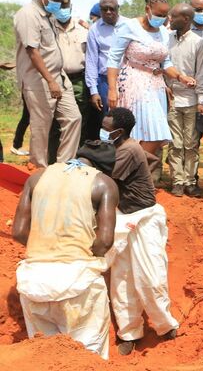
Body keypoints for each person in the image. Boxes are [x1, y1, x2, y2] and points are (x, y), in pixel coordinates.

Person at [12, 141, 120, 360]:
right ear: (105, 168)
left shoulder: (37, 178)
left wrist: (47, 250)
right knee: (88, 357)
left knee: (44, 357)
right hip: (78, 283)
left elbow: (19, 232)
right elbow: (105, 242)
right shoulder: (103, 183)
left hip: (34, 282)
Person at [100, 107, 180, 356]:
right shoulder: (123, 147)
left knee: (150, 276)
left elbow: (104, 178)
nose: (102, 131)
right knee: (121, 279)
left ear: (119, 131)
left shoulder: (129, 150)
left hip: (144, 218)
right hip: (123, 218)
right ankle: (129, 333)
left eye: (106, 128)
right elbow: (152, 159)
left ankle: (165, 326)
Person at [106, 0, 197, 176]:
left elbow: (166, 62)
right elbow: (113, 59)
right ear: (148, 9)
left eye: (165, 15)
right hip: (133, 82)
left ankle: (134, 174)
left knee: (155, 133)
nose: (163, 18)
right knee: (137, 130)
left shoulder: (163, 32)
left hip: (156, 85)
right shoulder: (129, 26)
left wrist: (180, 77)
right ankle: (127, 175)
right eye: (158, 14)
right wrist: (112, 89)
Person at [13, 0, 82, 169]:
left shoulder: (48, 15)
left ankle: (62, 168)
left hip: (59, 78)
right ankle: (38, 171)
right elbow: (32, 51)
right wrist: (50, 81)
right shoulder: (28, 14)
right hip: (40, 81)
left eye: (61, 2)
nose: (59, 5)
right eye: (55, 0)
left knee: (73, 118)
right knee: (41, 127)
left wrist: (57, 79)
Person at [165, 3, 203, 197]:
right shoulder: (167, 39)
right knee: (175, 143)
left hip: (191, 100)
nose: (169, 20)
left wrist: (200, 100)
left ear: (186, 20)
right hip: (172, 98)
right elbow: (162, 66)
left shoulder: (198, 42)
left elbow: (201, 72)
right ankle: (178, 181)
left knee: (191, 143)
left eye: (173, 17)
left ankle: (190, 181)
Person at [55, 0, 93, 144]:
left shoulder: (83, 29)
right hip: (56, 79)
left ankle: (77, 155)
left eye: (65, 5)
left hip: (79, 79)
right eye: (59, 6)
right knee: (57, 120)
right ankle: (55, 156)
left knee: (81, 118)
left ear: (70, 6)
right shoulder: (48, 28)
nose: (63, 9)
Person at [86, 0, 123, 135]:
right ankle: (109, 155)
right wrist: (94, 91)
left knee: (129, 119)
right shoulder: (94, 29)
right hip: (104, 82)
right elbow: (91, 60)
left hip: (127, 80)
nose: (108, 12)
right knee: (109, 122)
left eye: (112, 8)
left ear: (118, 8)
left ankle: (128, 155)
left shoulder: (128, 25)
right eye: (104, 9)